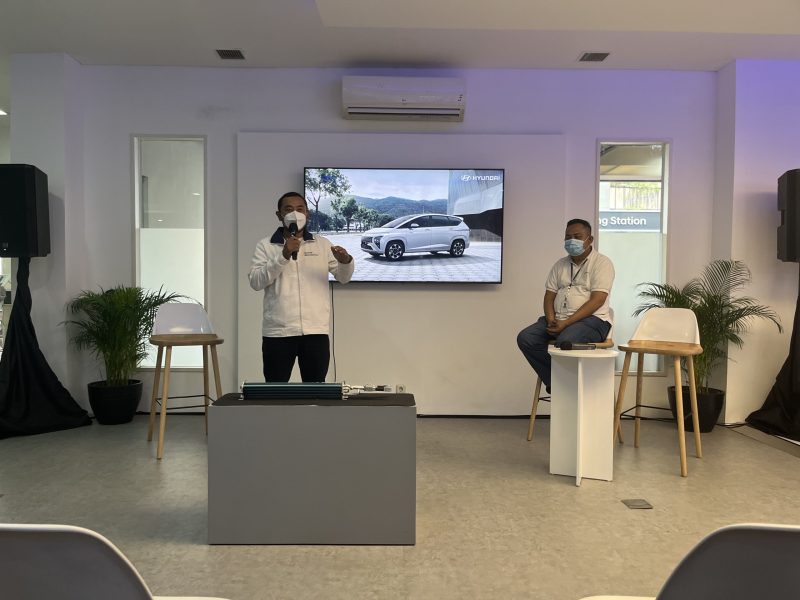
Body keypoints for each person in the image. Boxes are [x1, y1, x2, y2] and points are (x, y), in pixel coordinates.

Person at [248, 191, 354, 382]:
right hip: (278, 332)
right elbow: (256, 282)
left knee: (315, 391)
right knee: (274, 391)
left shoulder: (322, 244)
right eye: (288, 209)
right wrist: (283, 255)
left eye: (300, 209)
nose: (295, 214)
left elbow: (343, 278)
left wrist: (345, 261)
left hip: (315, 332)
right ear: (279, 215)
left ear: (307, 214)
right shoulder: (266, 245)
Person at [517, 218, 614, 393]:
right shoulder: (560, 265)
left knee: (565, 341)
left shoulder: (602, 263)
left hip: (593, 321)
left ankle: (563, 385)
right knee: (526, 338)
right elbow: (549, 297)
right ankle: (559, 382)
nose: (571, 241)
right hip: (559, 319)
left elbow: (598, 300)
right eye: (568, 237)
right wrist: (551, 320)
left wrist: (566, 323)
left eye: (577, 236)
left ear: (590, 239)